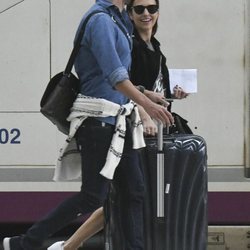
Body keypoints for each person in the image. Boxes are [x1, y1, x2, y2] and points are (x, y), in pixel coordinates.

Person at [3, 0, 174, 250]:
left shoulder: (118, 18)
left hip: (118, 121)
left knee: (134, 191)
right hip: (97, 122)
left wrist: (146, 93)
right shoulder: (100, 21)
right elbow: (114, 76)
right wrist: (147, 104)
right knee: (92, 196)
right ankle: (27, 242)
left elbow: (120, 79)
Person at [47, 0, 188, 249]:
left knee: (128, 194)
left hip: (147, 128)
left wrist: (172, 95)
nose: (146, 14)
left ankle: (69, 246)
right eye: (139, 9)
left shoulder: (155, 48)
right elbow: (123, 85)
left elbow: (152, 89)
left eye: (152, 9)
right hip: (132, 127)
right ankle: (68, 245)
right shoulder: (129, 43)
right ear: (130, 14)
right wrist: (143, 113)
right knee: (117, 196)